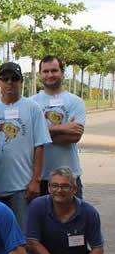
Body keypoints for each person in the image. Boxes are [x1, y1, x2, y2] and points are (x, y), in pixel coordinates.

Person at [0, 62, 51, 230]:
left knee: (23, 237)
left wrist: (36, 180)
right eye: (5, 78)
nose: (10, 82)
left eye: (15, 79)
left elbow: (40, 145)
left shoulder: (33, 108)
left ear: (21, 82)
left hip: (21, 188)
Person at [31, 55, 86, 198]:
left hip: (69, 176)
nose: (50, 75)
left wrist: (39, 136)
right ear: (40, 74)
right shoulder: (31, 103)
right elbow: (29, 136)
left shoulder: (76, 102)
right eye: (45, 71)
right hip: (38, 177)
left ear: (62, 72)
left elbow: (74, 136)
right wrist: (62, 128)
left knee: (73, 219)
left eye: (54, 70)